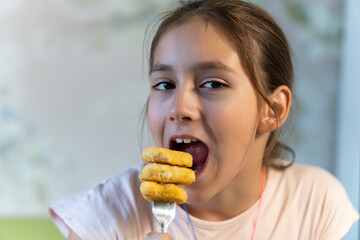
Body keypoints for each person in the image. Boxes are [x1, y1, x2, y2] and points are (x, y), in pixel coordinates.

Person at [49, 0, 359, 239]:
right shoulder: (109, 213)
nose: (178, 107)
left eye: (212, 84)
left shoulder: (314, 201)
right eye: (164, 85)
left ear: (273, 110)